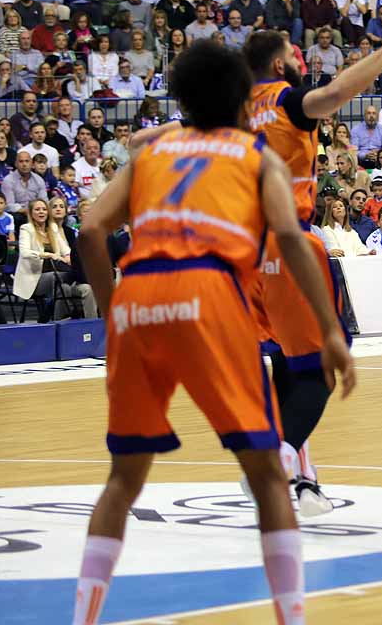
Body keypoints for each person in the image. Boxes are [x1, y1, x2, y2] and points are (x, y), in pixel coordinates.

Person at [70, 40, 355, 625]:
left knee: (123, 480)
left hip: (137, 298)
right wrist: (329, 329)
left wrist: (110, 310)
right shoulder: (254, 155)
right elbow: (293, 241)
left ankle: (84, 617)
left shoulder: (152, 154)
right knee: (268, 476)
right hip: (206, 290)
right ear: (239, 99)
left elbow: (92, 229)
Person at [236, 9, 382, 515]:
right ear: (277, 61)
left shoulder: (235, 110)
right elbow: (334, 95)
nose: (298, 57)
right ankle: (276, 462)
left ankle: (303, 483)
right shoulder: (287, 100)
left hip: (244, 248)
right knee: (322, 370)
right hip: (288, 242)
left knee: (290, 363)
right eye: (291, 51)